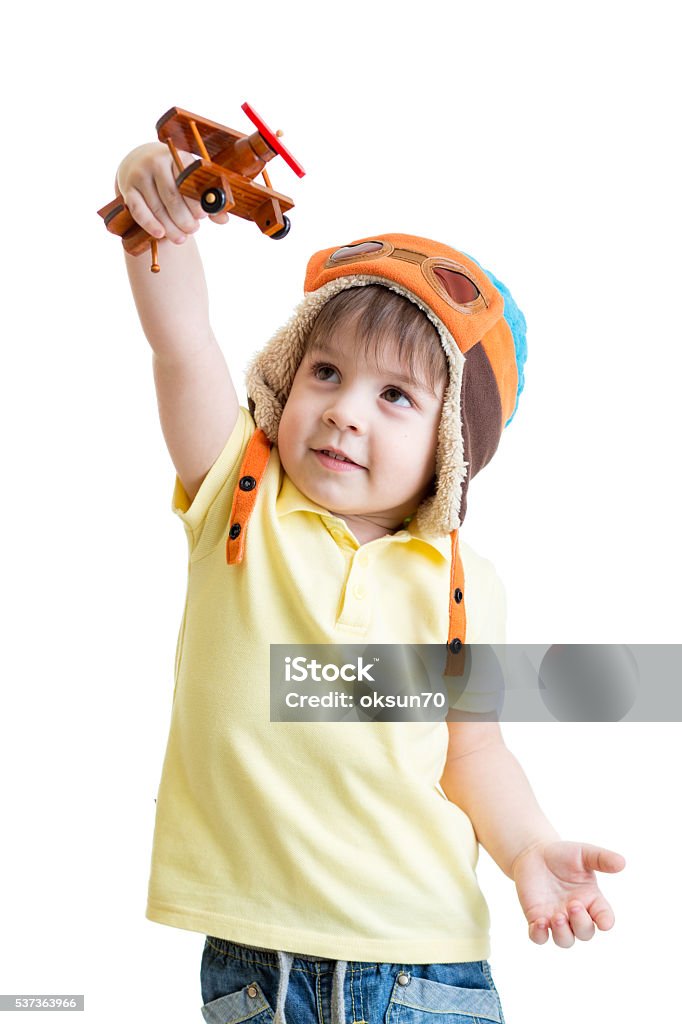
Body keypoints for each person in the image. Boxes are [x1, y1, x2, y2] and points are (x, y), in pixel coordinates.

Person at [113, 142, 626, 1024]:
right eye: (326, 372)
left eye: (396, 396)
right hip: (257, 970)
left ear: (452, 445)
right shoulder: (238, 497)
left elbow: (473, 754)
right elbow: (182, 346)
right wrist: (157, 218)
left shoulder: (463, 582)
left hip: (426, 970)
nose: (346, 409)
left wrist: (529, 847)